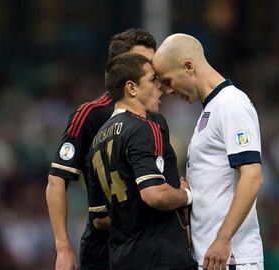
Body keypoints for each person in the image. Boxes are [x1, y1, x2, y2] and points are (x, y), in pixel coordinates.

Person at [46, 28, 182, 270]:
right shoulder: (89, 114)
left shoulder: (157, 119)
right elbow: (57, 180)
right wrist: (63, 247)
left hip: (148, 248)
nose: (156, 73)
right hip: (103, 249)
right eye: (145, 63)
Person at [152, 34, 264, 270]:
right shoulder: (211, 109)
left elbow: (252, 177)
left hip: (232, 258)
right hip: (211, 257)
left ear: (189, 66)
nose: (169, 91)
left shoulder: (231, 104)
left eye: (169, 81)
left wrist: (223, 239)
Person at [87, 52, 197, 270]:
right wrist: (187, 195)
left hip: (122, 259)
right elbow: (154, 194)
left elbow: (99, 219)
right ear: (131, 88)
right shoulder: (143, 128)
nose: (160, 87)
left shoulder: (96, 141)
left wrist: (131, 211)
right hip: (158, 257)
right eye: (152, 79)